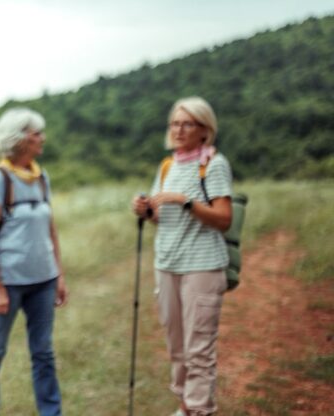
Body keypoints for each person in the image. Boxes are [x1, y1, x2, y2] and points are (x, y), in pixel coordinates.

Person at [131, 96, 232, 416]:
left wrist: (185, 201)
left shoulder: (214, 164)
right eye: (174, 123)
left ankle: (199, 409)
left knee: (198, 348)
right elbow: (162, 214)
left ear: (205, 130)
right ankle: (187, 406)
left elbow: (223, 218)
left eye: (187, 123)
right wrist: (146, 211)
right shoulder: (167, 165)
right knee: (176, 347)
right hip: (167, 264)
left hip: (202, 266)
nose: (178, 129)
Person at [0, 107, 68, 416]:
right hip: (8, 283)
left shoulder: (42, 177)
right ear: (18, 138)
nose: (42, 138)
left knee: (43, 353)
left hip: (44, 280)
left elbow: (50, 228)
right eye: (36, 133)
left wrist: (59, 275)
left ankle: (50, 411)